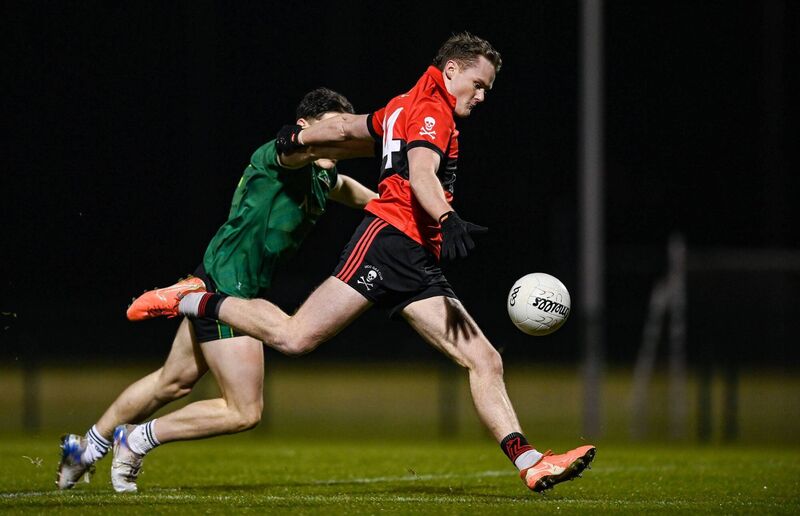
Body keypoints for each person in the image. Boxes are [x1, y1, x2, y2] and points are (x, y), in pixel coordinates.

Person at [128, 32, 595, 494]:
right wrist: (446, 216)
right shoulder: (432, 111)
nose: (482, 95)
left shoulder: (403, 105)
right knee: (294, 337)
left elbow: (347, 130)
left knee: (484, 358)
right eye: (478, 84)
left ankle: (530, 463)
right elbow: (422, 173)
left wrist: (301, 136)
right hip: (388, 245)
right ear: (451, 69)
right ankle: (193, 300)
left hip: (415, 257)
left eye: (487, 89)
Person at [56, 87, 378, 493]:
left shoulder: (322, 174)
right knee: (244, 411)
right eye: (331, 128)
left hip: (214, 279)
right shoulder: (284, 156)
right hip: (229, 290)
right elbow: (290, 147)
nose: (337, 138)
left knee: (172, 382)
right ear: (305, 127)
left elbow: (345, 187)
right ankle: (135, 439)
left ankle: (85, 447)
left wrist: (390, 208)